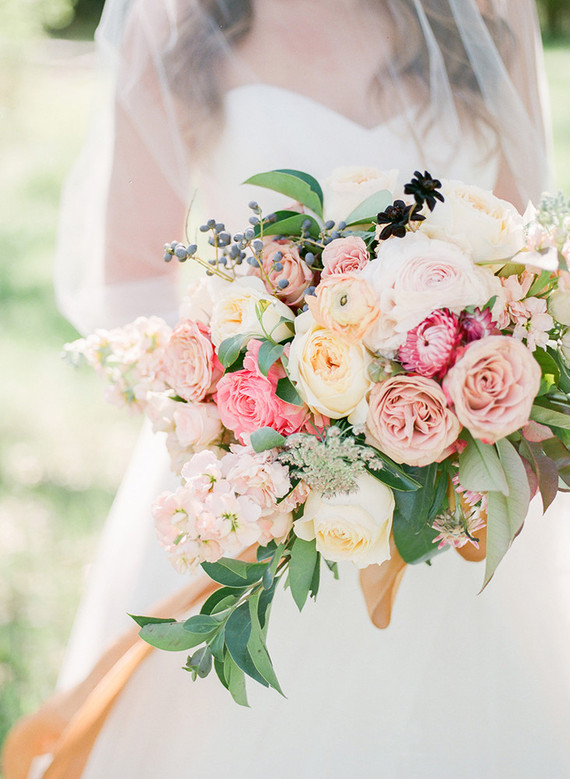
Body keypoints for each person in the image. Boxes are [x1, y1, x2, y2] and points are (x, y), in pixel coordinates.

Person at [5, 1, 570, 777]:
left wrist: (428, 400)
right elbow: (129, 287)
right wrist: (265, 414)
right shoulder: (174, 26)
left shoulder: (482, 14)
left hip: (459, 497)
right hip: (253, 484)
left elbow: (527, 259)